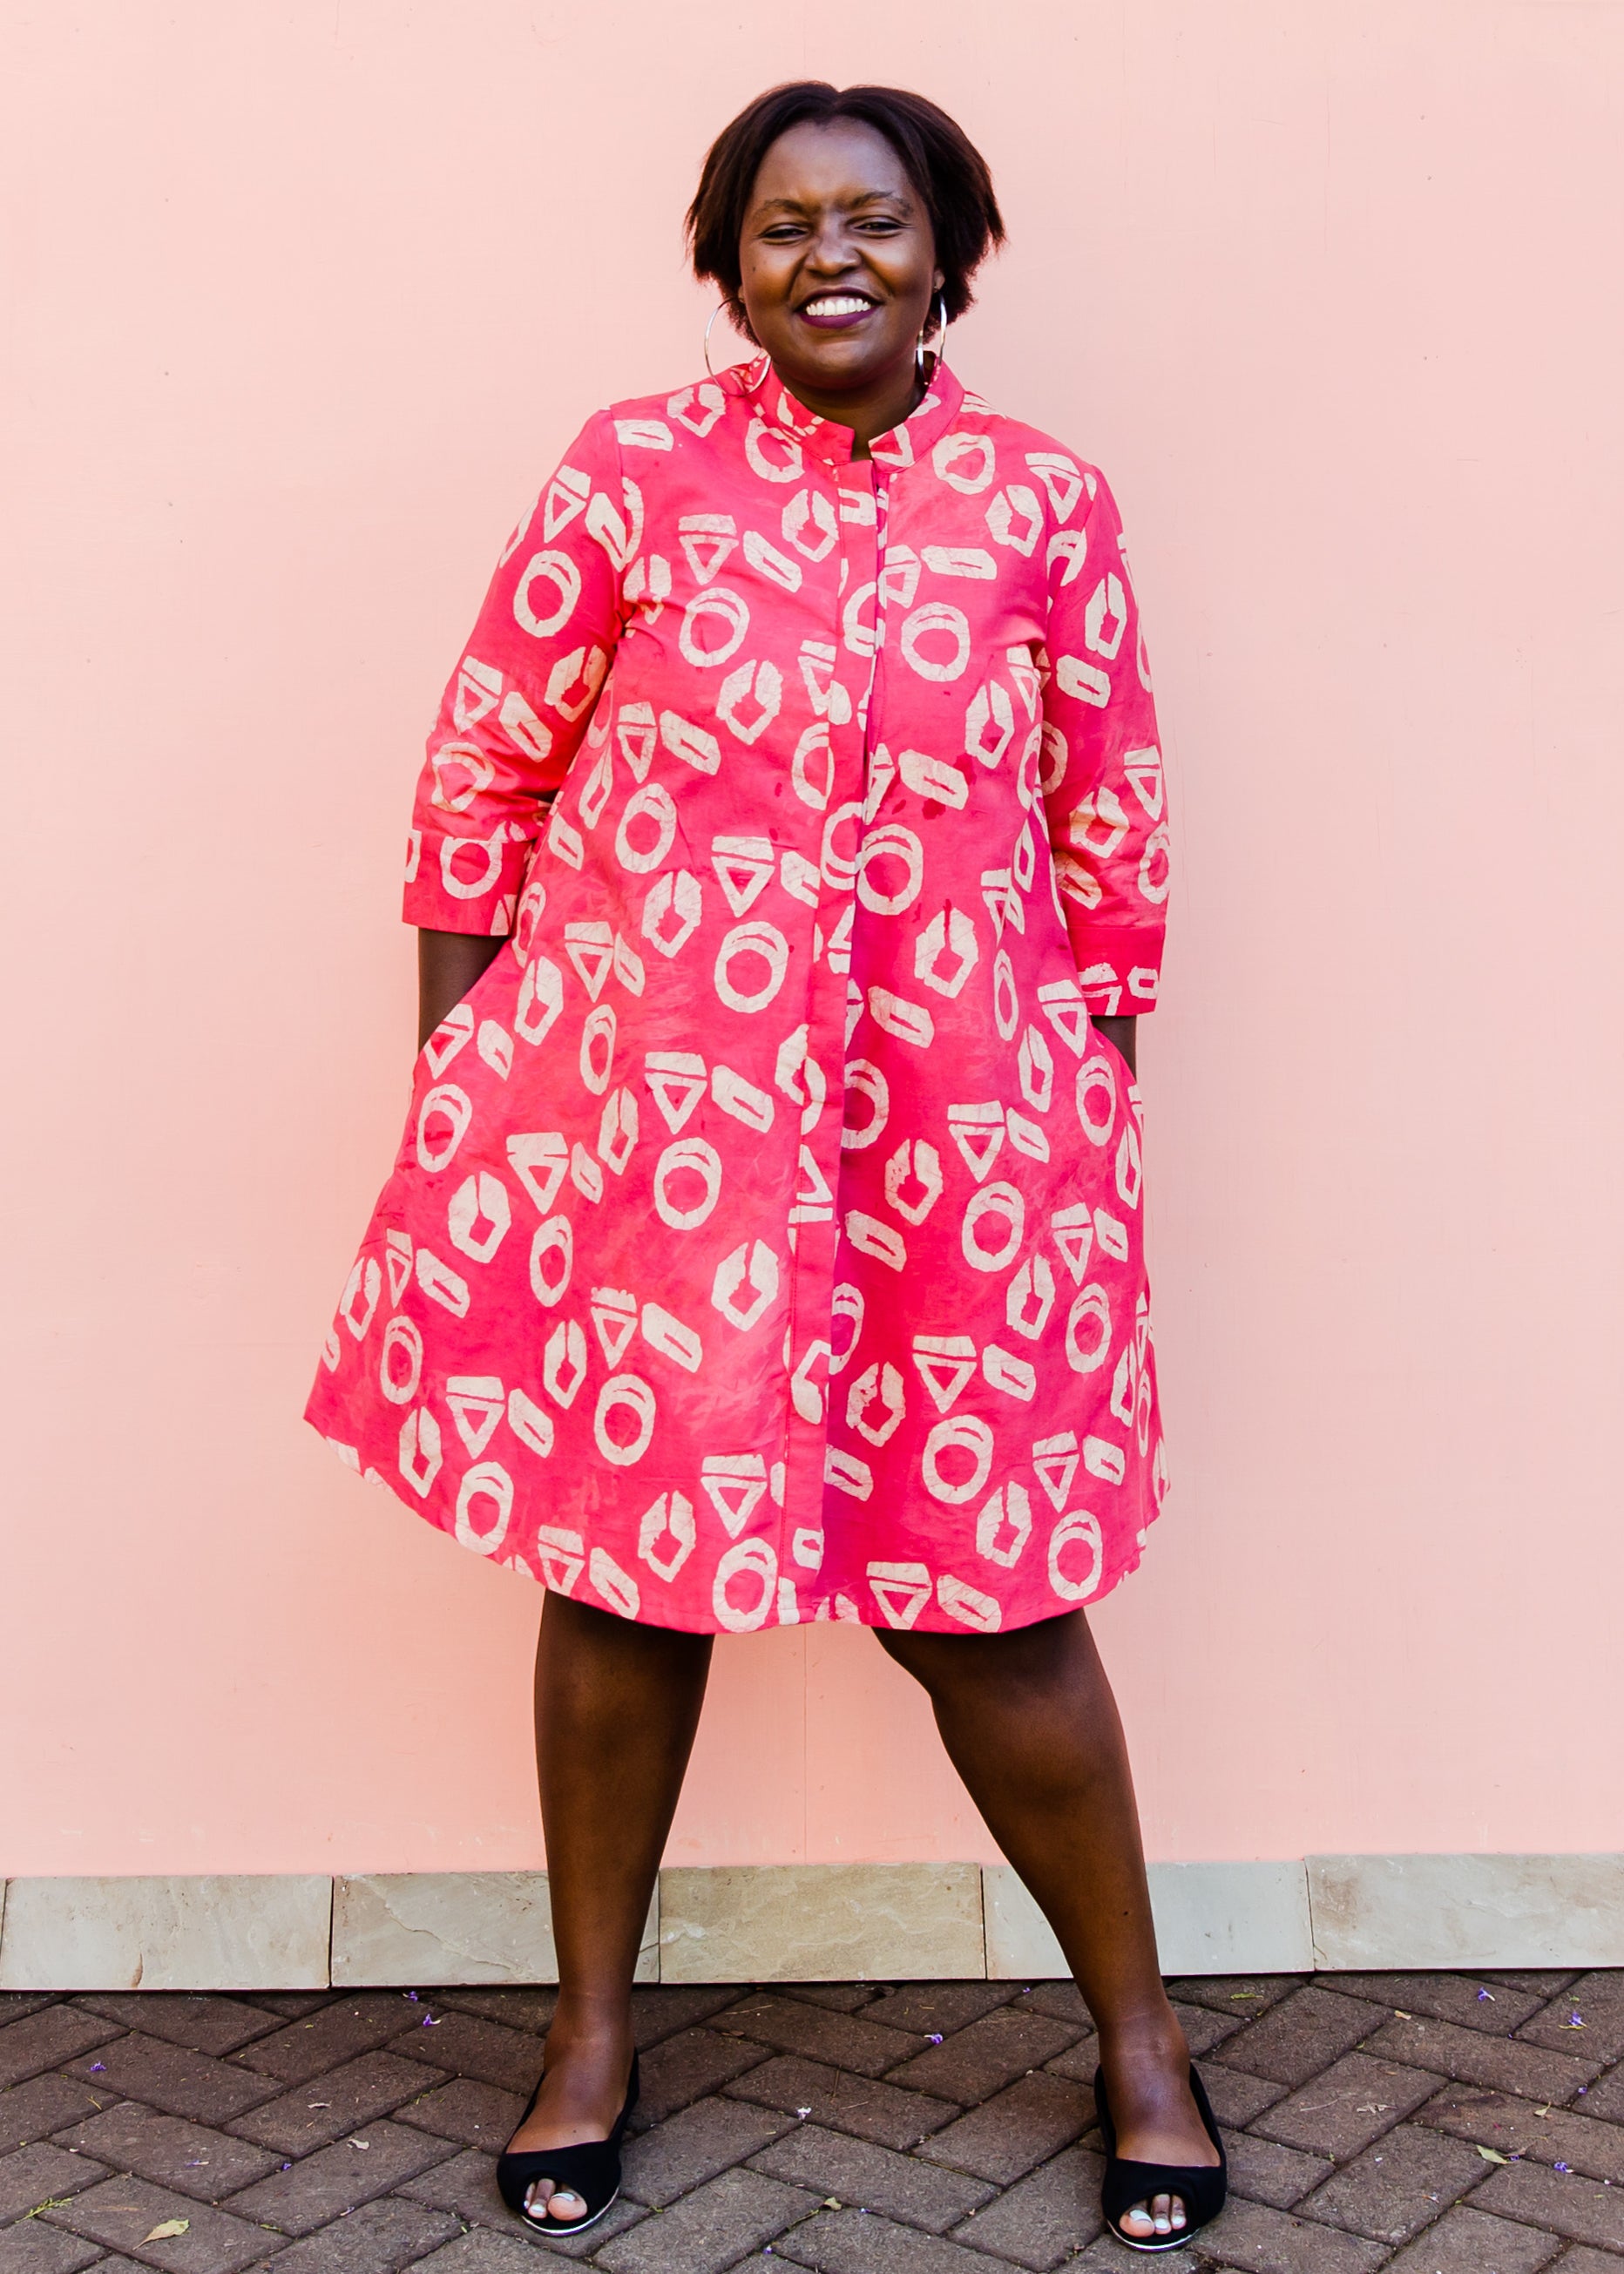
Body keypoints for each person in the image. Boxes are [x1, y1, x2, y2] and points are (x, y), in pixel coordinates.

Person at [307, 79, 1222, 2255]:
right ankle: (592, 2037)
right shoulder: (630, 474)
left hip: (960, 1139)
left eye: (874, 222)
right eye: (783, 224)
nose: (830, 256)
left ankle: (1138, 2042)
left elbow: (1111, 824)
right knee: (624, 1582)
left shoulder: (1043, 503)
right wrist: (466, 1070)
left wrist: (1085, 1089)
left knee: (995, 1606)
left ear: (947, 251)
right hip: (663, 1134)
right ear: (725, 259)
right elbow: (484, 765)